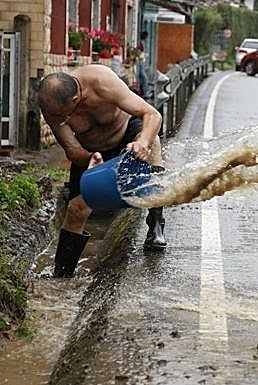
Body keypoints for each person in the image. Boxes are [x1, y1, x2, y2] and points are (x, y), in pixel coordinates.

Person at [39, 65, 166, 278]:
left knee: (153, 143)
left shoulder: (102, 81)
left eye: (64, 117)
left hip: (127, 136)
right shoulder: (52, 107)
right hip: (90, 152)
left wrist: (142, 142)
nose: (61, 122)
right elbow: (71, 149)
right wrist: (89, 158)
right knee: (75, 209)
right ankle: (62, 274)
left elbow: (152, 115)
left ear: (75, 100)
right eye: (57, 118)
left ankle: (156, 224)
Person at [136, 31, 150, 98]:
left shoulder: (143, 43)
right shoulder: (141, 44)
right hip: (139, 63)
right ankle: (145, 93)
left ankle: (142, 92)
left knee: (142, 78)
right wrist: (142, 55)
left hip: (141, 63)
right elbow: (139, 52)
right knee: (144, 78)